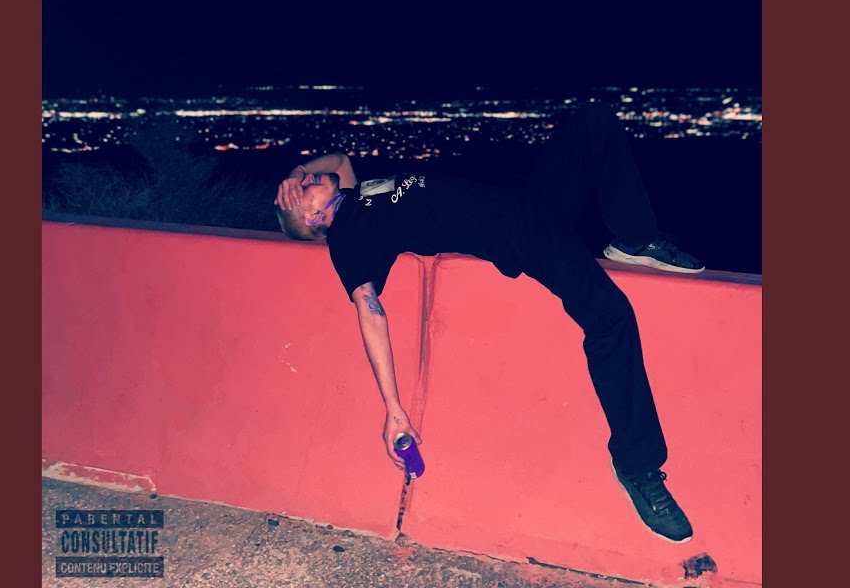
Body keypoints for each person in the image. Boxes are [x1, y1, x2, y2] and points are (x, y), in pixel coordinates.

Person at [273, 106, 703, 543]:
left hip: (528, 200)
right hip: (520, 236)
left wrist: (296, 171)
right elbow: (370, 312)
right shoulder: (347, 238)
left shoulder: (353, 193)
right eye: (304, 190)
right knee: (611, 317)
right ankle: (637, 466)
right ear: (312, 218)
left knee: (593, 121)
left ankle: (635, 238)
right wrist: (393, 409)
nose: (311, 181)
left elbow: (340, 159)